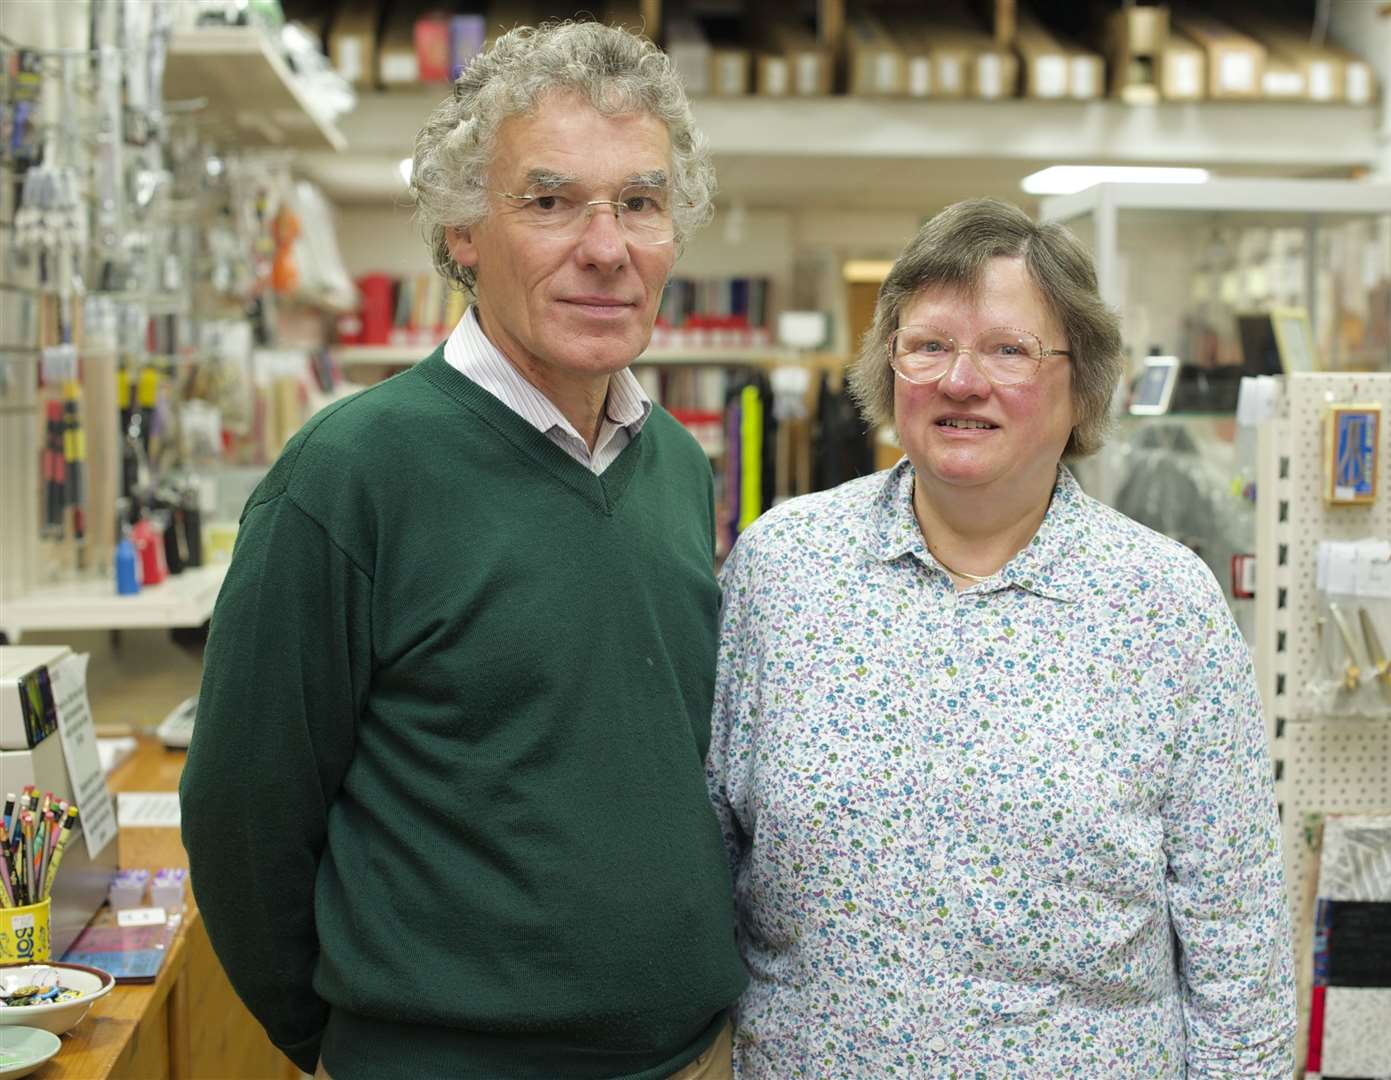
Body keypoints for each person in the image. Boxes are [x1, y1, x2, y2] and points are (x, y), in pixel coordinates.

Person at [181, 22, 744, 1080]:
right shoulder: (349, 475)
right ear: (461, 233)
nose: (607, 246)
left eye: (640, 201)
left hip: (685, 1060)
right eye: (548, 201)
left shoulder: (673, 462)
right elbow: (242, 819)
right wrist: (353, 1048)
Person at [707, 199, 1296, 1076]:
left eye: (1008, 349)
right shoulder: (783, 570)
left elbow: (1236, 940)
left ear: (1082, 382)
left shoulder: (1164, 606)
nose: (959, 380)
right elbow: (708, 857)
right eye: (928, 344)